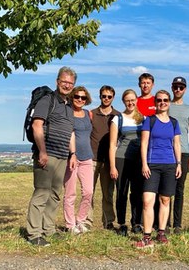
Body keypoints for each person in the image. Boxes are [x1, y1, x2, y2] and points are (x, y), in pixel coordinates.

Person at [26, 66, 77, 246]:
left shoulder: (69, 106)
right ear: (57, 81)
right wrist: (42, 151)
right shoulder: (48, 100)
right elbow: (37, 125)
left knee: (55, 194)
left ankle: (48, 229)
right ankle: (33, 233)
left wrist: (72, 154)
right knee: (41, 193)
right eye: (64, 82)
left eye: (70, 83)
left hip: (63, 155)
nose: (67, 85)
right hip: (47, 154)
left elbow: (70, 131)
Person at [137, 90, 182, 248]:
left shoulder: (174, 123)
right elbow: (144, 143)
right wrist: (144, 164)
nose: (162, 102)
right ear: (155, 103)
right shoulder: (149, 121)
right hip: (152, 165)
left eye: (165, 100)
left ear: (169, 102)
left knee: (165, 200)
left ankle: (161, 232)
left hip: (169, 165)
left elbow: (176, 144)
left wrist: (179, 164)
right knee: (148, 201)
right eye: (159, 100)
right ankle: (147, 236)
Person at [108, 89, 145, 236]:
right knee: (121, 192)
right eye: (127, 100)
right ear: (123, 102)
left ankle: (136, 223)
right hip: (121, 158)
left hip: (138, 160)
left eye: (132, 100)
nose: (130, 103)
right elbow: (112, 145)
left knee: (137, 193)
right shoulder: (118, 119)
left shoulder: (144, 119)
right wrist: (112, 166)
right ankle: (122, 223)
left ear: (136, 100)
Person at [88, 85, 120, 230]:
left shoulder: (118, 115)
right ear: (100, 96)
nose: (106, 99)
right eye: (104, 96)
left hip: (109, 161)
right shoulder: (91, 114)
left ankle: (108, 221)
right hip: (92, 158)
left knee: (108, 193)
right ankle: (86, 221)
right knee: (89, 192)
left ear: (113, 98)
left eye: (109, 96)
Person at [63, 86, 94, 235]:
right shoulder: (67, 112)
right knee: (70, 194)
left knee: (88, 191)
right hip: (72, 158)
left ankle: (80, 220)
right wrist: (72, 154)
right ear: (71, 97)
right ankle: (70, 224)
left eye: (83, 97)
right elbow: (69, 135)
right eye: (77, 97)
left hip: (87, 157)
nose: (80, 100)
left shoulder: (88, 114)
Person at [168, 76, 189, 234]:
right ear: (172, 88)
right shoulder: (166, 105)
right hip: (166, 152)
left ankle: (177, 224)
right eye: (176, 87)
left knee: (179, 189)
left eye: (181, 87)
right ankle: (163, 223)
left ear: (185, 89)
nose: (178, 90)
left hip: (184, 152)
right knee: (165, 189)